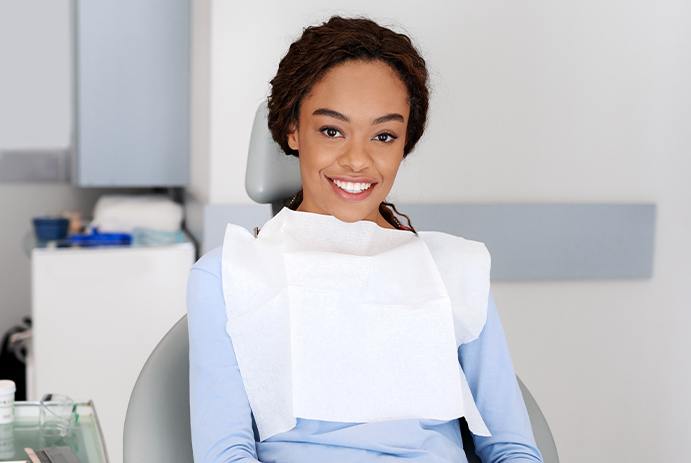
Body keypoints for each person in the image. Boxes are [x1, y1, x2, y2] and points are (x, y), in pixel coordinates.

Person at [187, 15, 544, 463]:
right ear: (293, 130)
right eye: (332, 131)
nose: (358, 160)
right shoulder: (228, 275)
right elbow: (226, 454)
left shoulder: (453, 270)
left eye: (383, 135)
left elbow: (511, 448)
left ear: (404, 142)